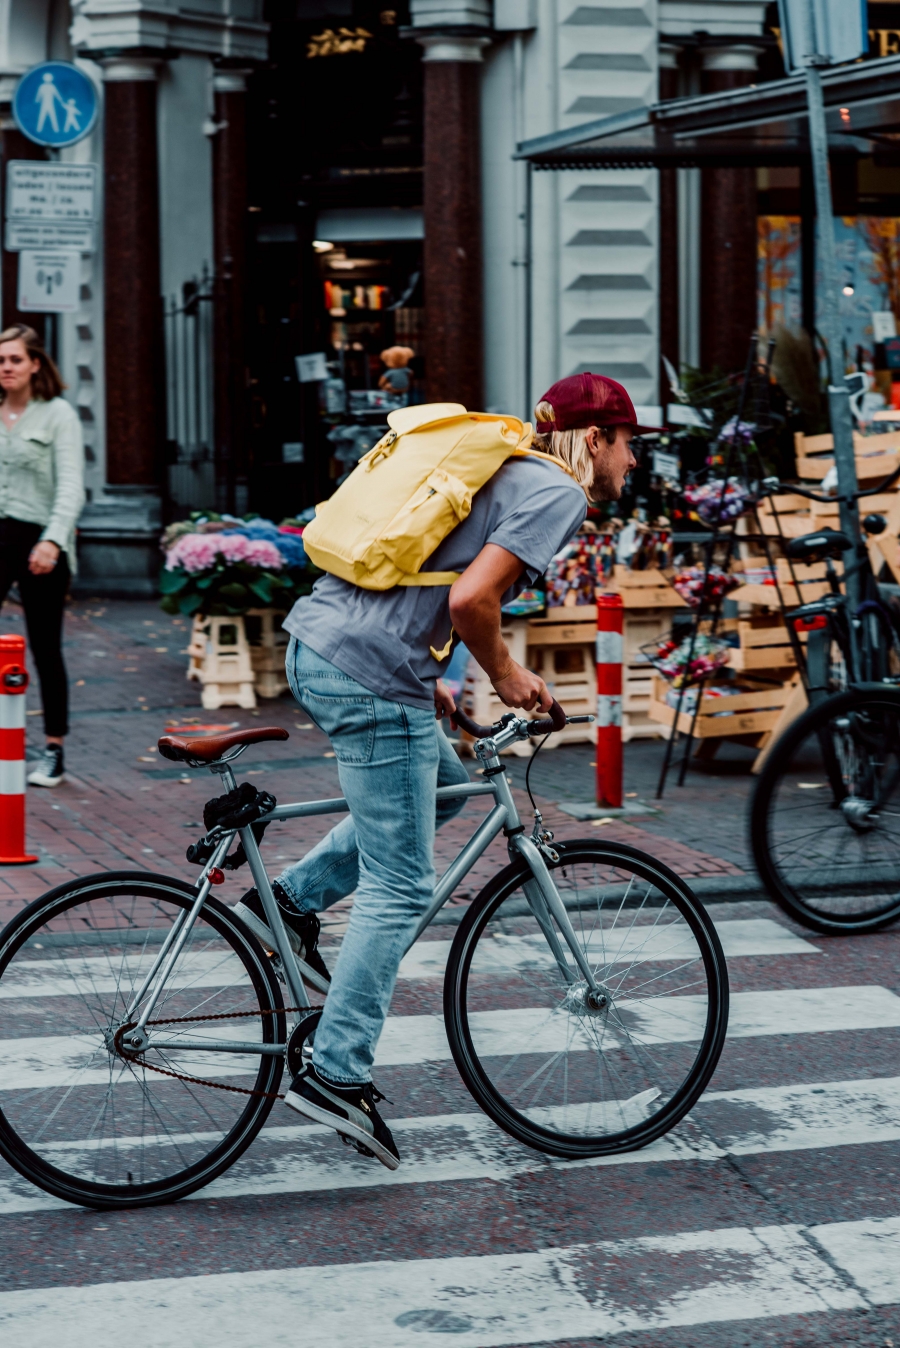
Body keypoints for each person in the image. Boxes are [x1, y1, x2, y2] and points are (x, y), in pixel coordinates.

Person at [232, 373, 651, 1169]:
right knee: (401, 885)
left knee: (448, 792)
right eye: (630, 445)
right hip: (369, 670)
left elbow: (429, 575)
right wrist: (507, 677)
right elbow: (469, 600)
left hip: (322, 643)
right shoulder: (556, 490)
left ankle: (287, 905)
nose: (631, 464)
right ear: (594, 438)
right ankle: (336, 1072)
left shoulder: (500, 463)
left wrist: (438, 690)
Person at [0, 325, 85, 788]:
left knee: (45, 647)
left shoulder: (58, 415)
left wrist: (52, 541)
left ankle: (54, 749)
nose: (6, 368)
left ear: (35, 364)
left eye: (15, 359)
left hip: (40, 540)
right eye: (0, 361)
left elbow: (71, 484)